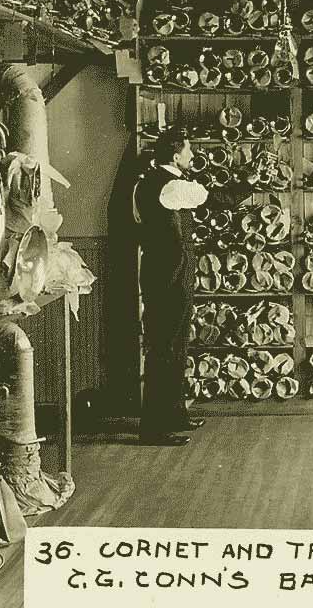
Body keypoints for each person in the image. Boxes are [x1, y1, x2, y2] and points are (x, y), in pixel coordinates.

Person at [132, 130, 209, 446]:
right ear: (176, 157)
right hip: (170, 275)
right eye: (189, 151)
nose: (192, 157)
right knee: (165, 347)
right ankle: (153, 428)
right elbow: (211, 197)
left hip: (165, 272)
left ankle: (175, 413)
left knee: (175, 345)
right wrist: (250, 179)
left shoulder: (148, 182)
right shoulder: (172, 185)